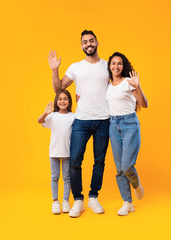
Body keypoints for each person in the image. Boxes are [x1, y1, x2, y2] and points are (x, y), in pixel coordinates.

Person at [47, 30, 110, 217]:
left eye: (91, 41)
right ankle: (78, 201)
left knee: (99, 161)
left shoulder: (107, 66)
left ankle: (93, 197)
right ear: (81, 46)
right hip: (81, 120)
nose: (88, 44)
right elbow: (58, 88)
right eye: (84, 42)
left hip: (103, 119)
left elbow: (117, 85)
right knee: (75, 161)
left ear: (97, 43)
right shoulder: (75, 67)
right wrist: (54, 70)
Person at [106, 52, 148, 216]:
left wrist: (138, 86)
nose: (116, 66)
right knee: (119, 169)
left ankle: (136, 185)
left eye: (119, 64)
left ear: (123, 66)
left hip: (129, 124)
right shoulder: (108, 86)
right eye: (113, 63)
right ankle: (127, 202)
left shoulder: (129, 82)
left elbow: (144, 104)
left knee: (126, 165)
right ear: (109, 66)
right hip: (113, 125)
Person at [38, 89, 75, 214]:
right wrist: (45, 113)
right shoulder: (52, 116)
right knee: (54, 177)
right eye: (60, 99)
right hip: (54, 152)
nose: (62, 101)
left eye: (65, 99)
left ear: (69, 101)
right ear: (56, 101)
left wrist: (80, 104)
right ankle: (55, 201)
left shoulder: (72, 116)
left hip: (67, 152)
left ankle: (65, 201)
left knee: (67, 177)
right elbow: (40, 121)